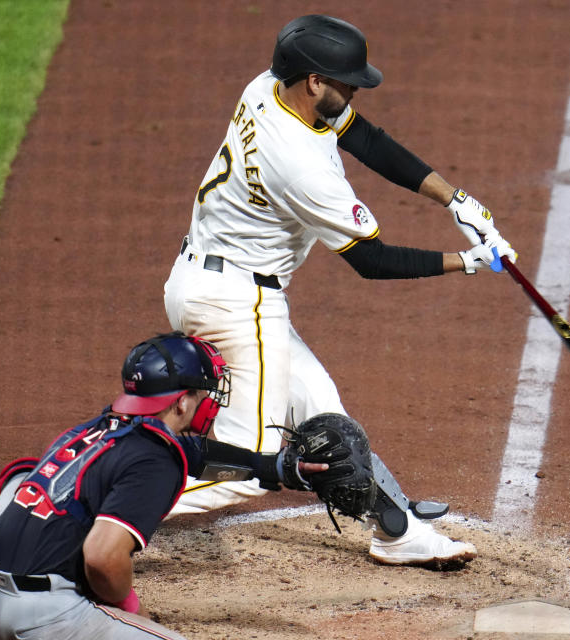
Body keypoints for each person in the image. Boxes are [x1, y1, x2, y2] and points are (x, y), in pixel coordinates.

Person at [163, 14, 515, 566]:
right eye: (347, 81)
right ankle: (92, 506)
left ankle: (395, 530)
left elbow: (365, 138)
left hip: (213, 279)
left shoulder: (268, 87)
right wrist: (468, 261)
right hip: (238, 304)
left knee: (324, 412)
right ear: (314, 81)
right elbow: (371, 261)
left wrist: (455, 199)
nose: (354, 90)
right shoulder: (299, 165)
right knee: (245, 472)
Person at [0, 332, 326, 640]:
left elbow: (192, 453)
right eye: (203, 394)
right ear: (182, 401)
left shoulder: (95, 430)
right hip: (42, 617)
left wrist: (272, 467)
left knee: (30, 481)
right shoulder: (155, 461)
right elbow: (103, 558)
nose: (208, 403)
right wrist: (131, 608)